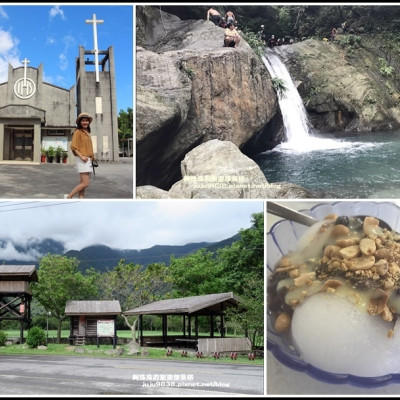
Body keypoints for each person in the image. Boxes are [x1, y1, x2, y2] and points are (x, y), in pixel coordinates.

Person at [65, 112, 95, 199]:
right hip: (83, 159)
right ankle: (69, 197)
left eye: (86, 121)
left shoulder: (86, 132)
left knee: (82, 182)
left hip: (87, 159)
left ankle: (81, 199)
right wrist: (81, 157)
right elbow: (73, 147)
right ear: (79, 122)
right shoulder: (78, 132)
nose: (85, 122)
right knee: (85, 183)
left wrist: (91, 158)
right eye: (83, 121)